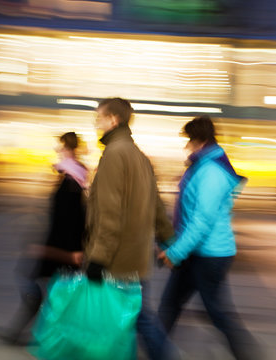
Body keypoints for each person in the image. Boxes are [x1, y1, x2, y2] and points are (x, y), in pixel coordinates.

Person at [157, 115, 262, 360]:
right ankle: (155, 350)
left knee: (216, 313)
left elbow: (201, 220)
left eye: (190, 141)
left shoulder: (211, 172)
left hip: (209, 255)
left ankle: (249, 355)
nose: (187, 146)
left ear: (201, 140)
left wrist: (175, 252)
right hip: (199, 252)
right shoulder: (203, 166)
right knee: (171, 305)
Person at [84, 97, 177, 360]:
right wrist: (168, 239)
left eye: (99, 118)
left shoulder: (114, 154)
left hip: (117, 259)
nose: (96, 124)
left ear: (113, 120)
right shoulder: (140, 156)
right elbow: (157, 206)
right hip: (137, 257)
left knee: (128, 318)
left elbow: (109, 213)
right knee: (135, 316)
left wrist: (98, 258)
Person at [0, 131, 88, 345]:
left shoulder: (72, 181)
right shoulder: (71, 177)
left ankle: (41, 336)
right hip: (60, 246)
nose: (57, 151)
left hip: (62, 248)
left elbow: (71, 220)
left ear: (68, 149)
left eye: (60, 147)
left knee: (35, 285)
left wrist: (55, 250)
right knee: (47, 290)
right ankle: (27, 334)